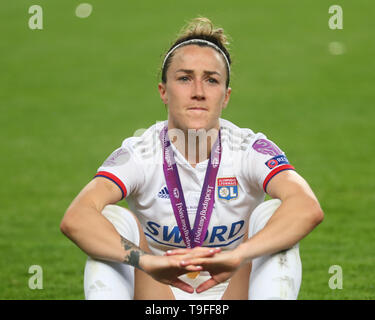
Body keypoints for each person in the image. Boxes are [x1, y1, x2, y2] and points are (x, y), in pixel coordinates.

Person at [60, 17, 324, 300]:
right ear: (163, 91)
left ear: (226, 96)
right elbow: (76, 217)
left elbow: (307, 207)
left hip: (233, 289)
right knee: (109, 219)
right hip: (159, 294)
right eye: (185, 78)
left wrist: (239, 255)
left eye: (211, 80)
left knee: (272, 213)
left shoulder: (249, 148)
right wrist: (146, 260)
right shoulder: (140, 152)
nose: (198, 92)